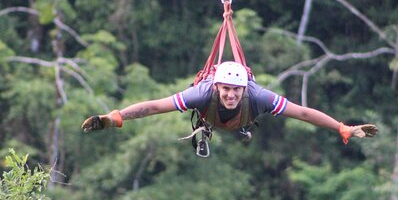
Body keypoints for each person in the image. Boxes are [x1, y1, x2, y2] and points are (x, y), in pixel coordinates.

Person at [81, 61, 378, 155]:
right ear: (217, 87)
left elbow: (301, 113)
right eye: (226, 89)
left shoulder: (258, 96)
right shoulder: (201, 93)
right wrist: (114, 118)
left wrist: (342, 127)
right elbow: (156, 106)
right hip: (211, 119)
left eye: (236, 90)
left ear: (243, 88)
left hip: (241, 123)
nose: (231, 95)